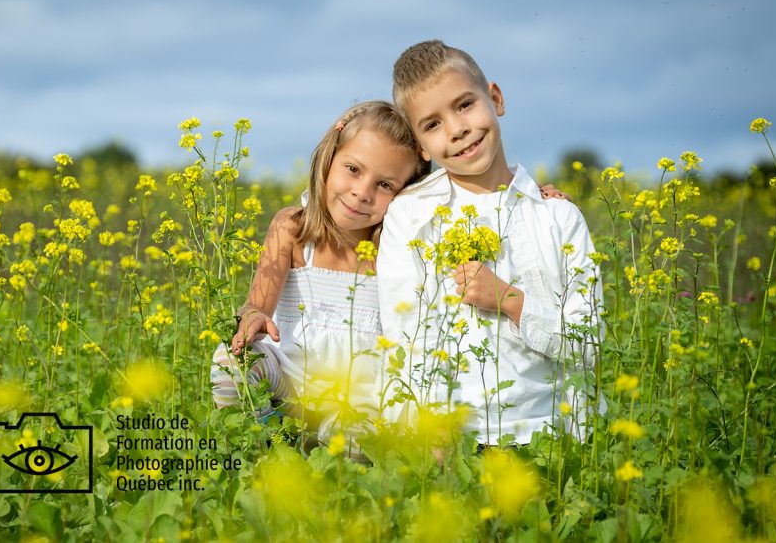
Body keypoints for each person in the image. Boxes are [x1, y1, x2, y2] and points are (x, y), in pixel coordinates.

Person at [377, 40, 603, 446]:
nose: (458, 129)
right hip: (458, 448)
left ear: (495, 98)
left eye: (464, 105)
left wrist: (510, 300)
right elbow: (404, 337)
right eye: (432, 124)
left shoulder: (557, 217)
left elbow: (590, 344)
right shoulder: (410, 217)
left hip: (556, 442)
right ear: (421, 148)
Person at [210, 101, 430, 450]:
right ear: (329, 157)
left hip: (356, 399)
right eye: (353, 169)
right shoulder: (293, 228)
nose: (362, 192)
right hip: (288, 385)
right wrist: (252, 316)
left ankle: (323, 457)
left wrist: (532, 199)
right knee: (230, 363)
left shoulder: (393, 250)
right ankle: (272, 446)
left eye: (385, 184)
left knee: (359, 441)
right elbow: (258, 303)